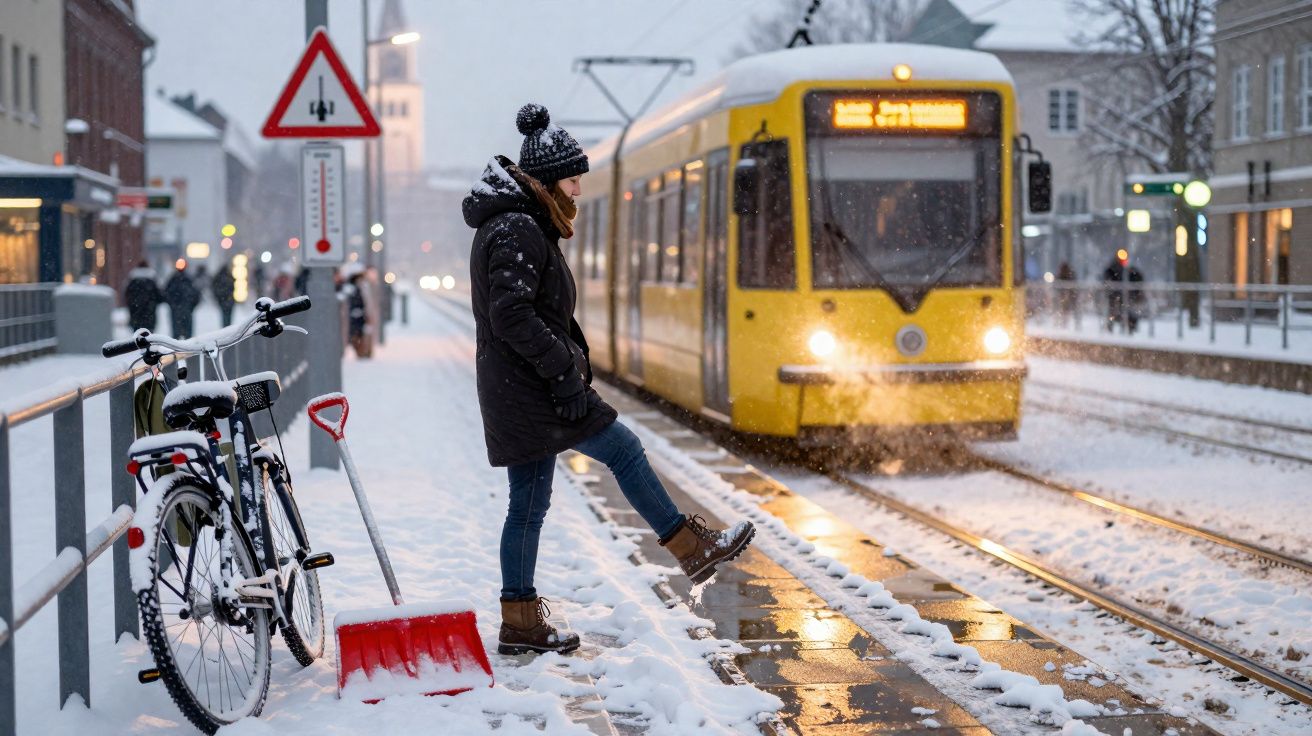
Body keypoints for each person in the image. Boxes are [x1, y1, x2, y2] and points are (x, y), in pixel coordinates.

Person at [464, 104, 756, 656]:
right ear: (549, 180)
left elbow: (526, 312)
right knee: (622, 450)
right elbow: (513, 316)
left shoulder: (518, 224)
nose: (578, 189)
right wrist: (563, 371)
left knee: (528, 504)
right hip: (534, 390)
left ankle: (521, 622)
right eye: (573, 178)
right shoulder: (517, 229)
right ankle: (691, 549)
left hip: (521, 387)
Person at [164, 262, 201, 339]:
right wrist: (191, 307)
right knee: (187, 334)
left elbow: (166, 294)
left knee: (176, 334)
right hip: (186, 309)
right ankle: (187, 348)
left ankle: (177, 347)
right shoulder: (189, 280)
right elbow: (196, 295)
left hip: (177, 310)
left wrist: (172, 305)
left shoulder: (173, 279)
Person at [124, 260, 162, 333]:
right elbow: (158, 294)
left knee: (137, 331)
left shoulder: (133, 278)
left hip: (136, 309)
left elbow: (127, 293)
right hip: (149, 310)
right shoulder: (152, 278)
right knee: (149, 331)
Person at [211, 260, 236, 327]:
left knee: (224, 315)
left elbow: (214, 287)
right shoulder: (229, 276)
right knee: (228, 316)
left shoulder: (218, 277)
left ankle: (225, 328)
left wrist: (217, 297)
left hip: (222, 300)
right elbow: (233, 287)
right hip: (229, 300)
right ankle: (228, 327)